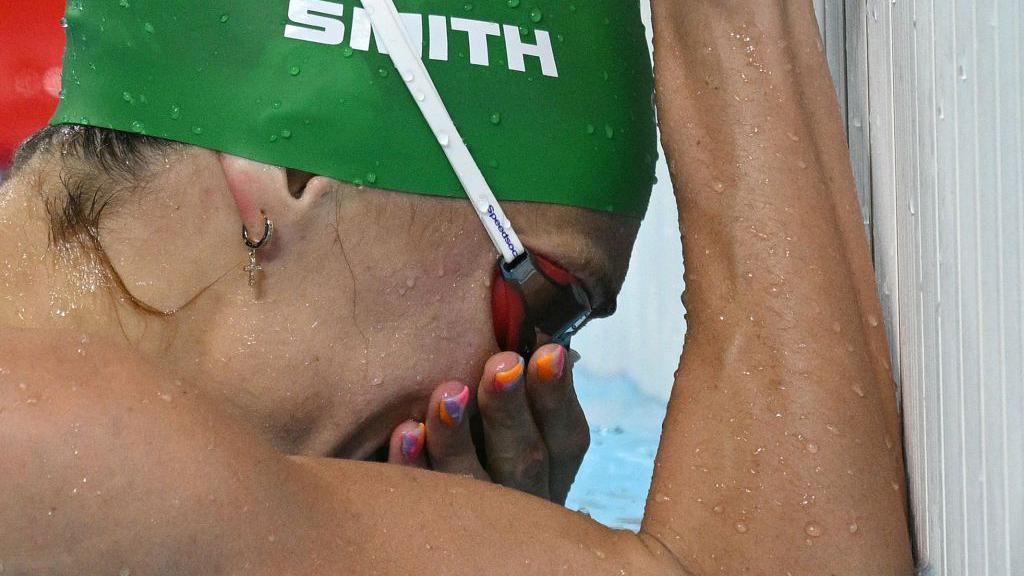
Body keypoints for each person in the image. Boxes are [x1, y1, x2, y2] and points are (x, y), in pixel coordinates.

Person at [0, 2, 915, 575]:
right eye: (545, 302)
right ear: (290, 166)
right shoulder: (63, 449)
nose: (507, 379)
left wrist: (429, 536)